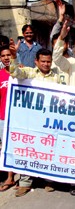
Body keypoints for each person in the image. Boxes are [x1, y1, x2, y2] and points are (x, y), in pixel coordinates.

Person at [10, 47, 63, 197]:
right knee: (28, 149)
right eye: (43, 61)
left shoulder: (57, 76)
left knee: (49, 150)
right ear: (36, 61)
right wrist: (14, 57)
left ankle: (48, 181)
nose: (46, 64)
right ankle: (25, 183)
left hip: (50, 120)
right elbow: (14, 73)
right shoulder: (29, 72)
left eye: (48, 61)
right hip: (31, 120)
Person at [0, 41, 16, 192]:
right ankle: (9, 177)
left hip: (18, 118)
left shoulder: (21, 71)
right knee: (6, 148)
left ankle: (22, 179)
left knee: (17, 148)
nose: (6, 58)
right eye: (3, 56)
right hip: (3, 117)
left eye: (8, 55)